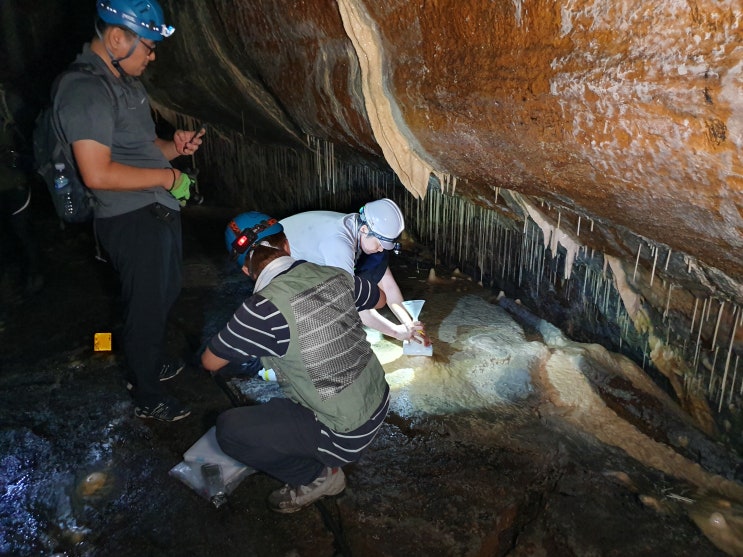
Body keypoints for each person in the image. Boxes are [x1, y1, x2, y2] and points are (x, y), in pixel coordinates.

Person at [55, 0, 206, 421]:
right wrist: (165, 180)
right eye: (149, 45)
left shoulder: (123, 81)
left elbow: (141, 151)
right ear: (117, 37)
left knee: (162, 295)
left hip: (154, 210)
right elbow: (97, 173)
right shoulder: (84, 89)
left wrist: (172, 149)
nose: (153, 55)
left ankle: (147, 357)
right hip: (128, 217)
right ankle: (145, 393)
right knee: (146, 305)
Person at [201, 211, 391, 513]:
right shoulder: (334, 274)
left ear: (245, 270)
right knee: (286, 398)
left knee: (230, 429)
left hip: (346, 434)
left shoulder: (260, 310)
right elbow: (379, 298)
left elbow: (210, 362)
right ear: (287, 245)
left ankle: (319, 478)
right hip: (379, 398)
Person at [279, 198, 430, 345]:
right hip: (275, 261)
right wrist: (396, 332)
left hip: (303, 257)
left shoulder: (363, 230)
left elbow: (389, 286)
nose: (381, 249)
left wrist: (409, 324)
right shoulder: (339, 244)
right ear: (364, 230)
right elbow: (353, 304)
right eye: (379, 244)